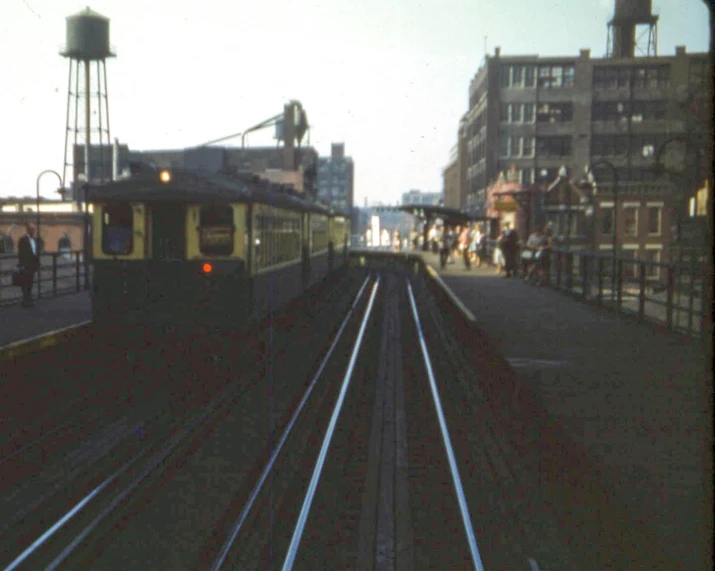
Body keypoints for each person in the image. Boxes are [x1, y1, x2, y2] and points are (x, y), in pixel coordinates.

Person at [17, 222, 40, 307]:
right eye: (31, 229)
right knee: (25, 283)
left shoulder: (34, 239)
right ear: (28, 230)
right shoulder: (22, 239)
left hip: (32, 264)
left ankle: (29, 299)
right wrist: (21, 264)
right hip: (25, 264)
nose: (33, 231)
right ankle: (26, 300)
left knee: (30, 282)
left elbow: (35, 252)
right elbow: (21, 253)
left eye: (33, 229)